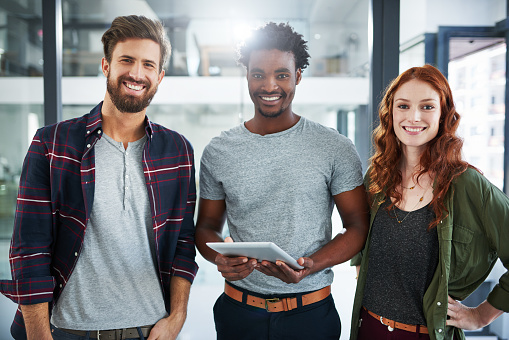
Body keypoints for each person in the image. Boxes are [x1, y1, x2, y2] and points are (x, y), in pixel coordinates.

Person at [0, 15, 198, 340]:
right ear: (106, 65)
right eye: (126, 60)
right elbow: (29, 250)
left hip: (147, 330)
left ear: (160, 76)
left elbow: (183, 244)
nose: (136, 73)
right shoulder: (52, 145)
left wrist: (177, 317)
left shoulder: (177, 151)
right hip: (66, 331)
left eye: (148, 64)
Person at [195, 22, 369, 340]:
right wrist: (219, 257)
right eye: (258, 74)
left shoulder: (333, 146)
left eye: (282, 75)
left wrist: (311, 265)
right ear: (247, 75)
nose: (269, 85)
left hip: (311, 317)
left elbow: (358, 226)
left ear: (298, 76)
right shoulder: (218, 151)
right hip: (238, 315)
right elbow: (205, 228)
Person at [350, 64, 508, 340]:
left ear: (443, 114)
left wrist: (480, 315)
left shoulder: (467, 184)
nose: (413, 117)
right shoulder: (377, 176)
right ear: (390, 113)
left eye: (427, 107)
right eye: (403, 106)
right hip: (369, 327)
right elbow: (360, 240)